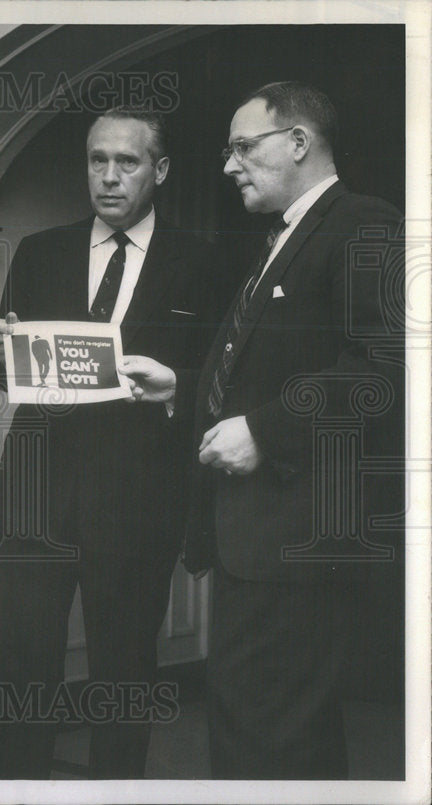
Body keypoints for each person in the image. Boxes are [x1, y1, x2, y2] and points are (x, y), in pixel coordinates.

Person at [122, 82, 404, 778]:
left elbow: (385, 368)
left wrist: (269, 432)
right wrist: (184, 386)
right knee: (281, 736)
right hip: (260, 541)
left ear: (300, 143)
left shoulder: (363, 223)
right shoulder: (283, 240)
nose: (228, 165)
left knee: (265, 735)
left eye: (244, 146)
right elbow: (275, 369)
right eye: (227, 151)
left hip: (298, 544)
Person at [0, 108, 224, 779]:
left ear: (160, 169)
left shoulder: (204, 263)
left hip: (138, 500)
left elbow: (224, 383)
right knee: (19, 666)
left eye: (128, 161)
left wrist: (176, 386)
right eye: (97, 160)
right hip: (35, 496)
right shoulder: (41, 250)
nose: (109, 176)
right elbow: (3, 369)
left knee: (124, 672)